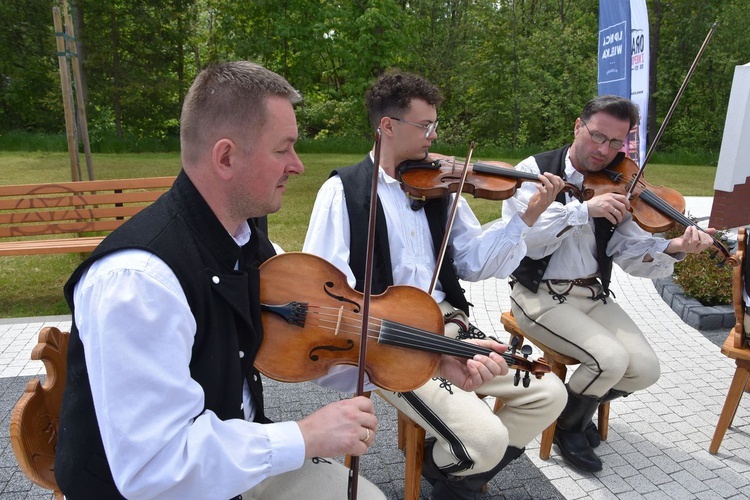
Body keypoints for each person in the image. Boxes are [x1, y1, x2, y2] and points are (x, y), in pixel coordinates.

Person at [53, 61, 508, 500]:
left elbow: (331, 336)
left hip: (238, 452)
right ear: (226, 157)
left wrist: (433, 354)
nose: (298, 165)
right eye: (282, 148)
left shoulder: (247, 240)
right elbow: (154, 467)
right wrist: (304, 436)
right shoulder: (139, 282)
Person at [303, 69, 568, 500]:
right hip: (388, 339)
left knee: (550, 394)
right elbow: (326, 289)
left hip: (450, 325)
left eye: (435, 126)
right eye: (424, 126)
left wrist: (529, 215)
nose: (433, 136)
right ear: (387, 126)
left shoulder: (441, 185)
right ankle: (464, 467)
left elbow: (477, 263)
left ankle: (450, 476)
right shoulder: (343, 192)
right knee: (484, 440)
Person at [502, 94, 717, 473]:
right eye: (597, 137)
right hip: (538, 294)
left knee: (645, 369)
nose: (604, 150)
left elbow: (630, 252)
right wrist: (583, 210)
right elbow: (524, 240)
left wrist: (676, 245)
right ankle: (570, 430)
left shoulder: (621, 182)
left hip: (592, 294)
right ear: (577, 126)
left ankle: (570, 413)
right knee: (610, 360)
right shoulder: (535, 169)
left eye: (616, 142)